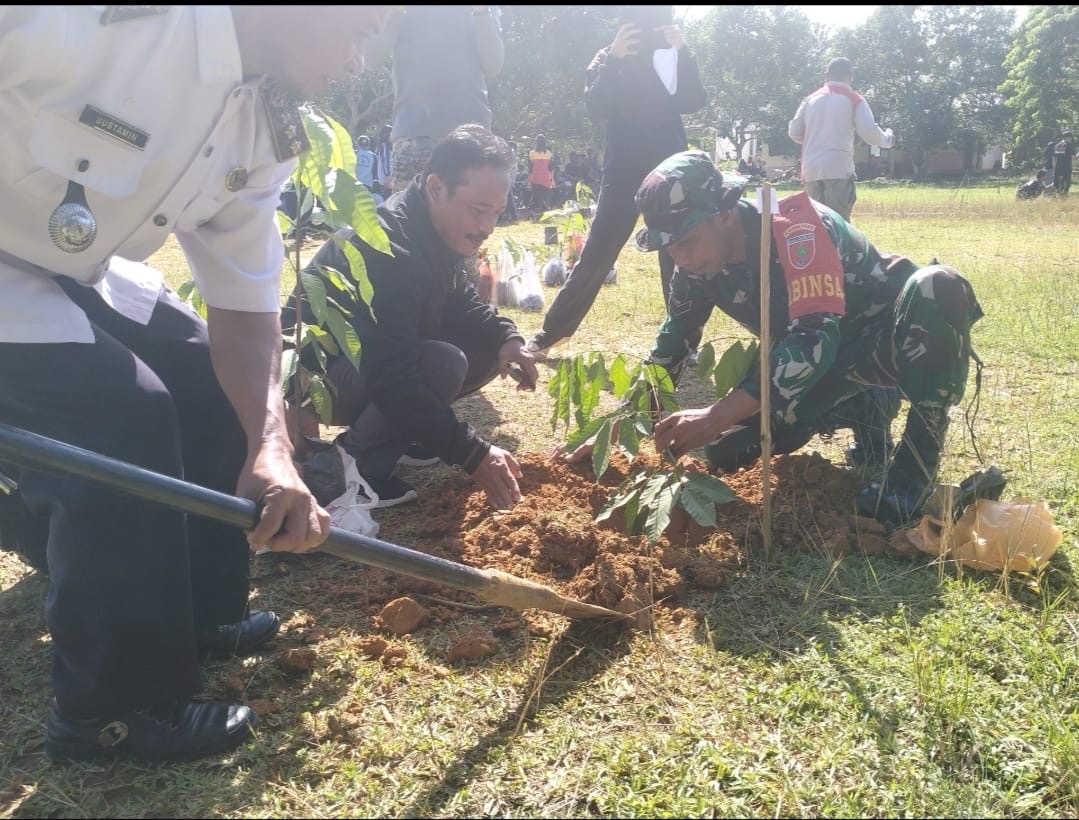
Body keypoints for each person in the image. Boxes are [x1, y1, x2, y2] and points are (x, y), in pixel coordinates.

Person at [0, 6, 391, 765]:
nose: (359, 61)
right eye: (361, 30)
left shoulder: (265, 123)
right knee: (122, 416)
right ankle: (113, 712)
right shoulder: (99, 21)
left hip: (70, 263)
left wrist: (269, 445)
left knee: (210, 380)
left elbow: (244, 300)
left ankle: (197, 615)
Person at [567, 150, 983, 533]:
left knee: (938, 285)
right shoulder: (695, 269)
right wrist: (614, 430)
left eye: (686, 242)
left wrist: (715, 414)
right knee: (727, 450)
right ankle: (864, 409)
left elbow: (813, 339)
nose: (682, 259)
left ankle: (913, 470)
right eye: (670, 250)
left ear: (724, 214)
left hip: (884, 342)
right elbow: (671, 346)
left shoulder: (797, 228)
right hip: (823, 368)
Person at [285, 125, 538, 512]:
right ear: (436, 188)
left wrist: (507, 337)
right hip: (313, 379)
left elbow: (458, 300)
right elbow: (392, 375)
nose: (487, 227)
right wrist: (472, 453)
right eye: (478, 210)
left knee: (487, 347)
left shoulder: (434, 225)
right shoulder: (391, 247)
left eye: (497, 213)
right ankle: (350, 468)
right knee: (443, 364)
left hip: (371, 358)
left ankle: (402, 433)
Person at [526, 5, 707, 359]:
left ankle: (684, 342)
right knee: (598, 252)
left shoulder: (674, 51)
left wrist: (683, 52)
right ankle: (550, 334)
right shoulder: (608, 55)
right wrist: (614, 58)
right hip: (623, 168)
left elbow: (694, 99)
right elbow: (595, 106)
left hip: (670, 168)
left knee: (678, 254)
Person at [364, 6, 504, 195]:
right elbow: (372, 59)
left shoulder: (481, 10)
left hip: (472, 134)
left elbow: (493, 64)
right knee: (412, 212)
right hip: (413, 135)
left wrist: (481, 12)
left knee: (472, 211)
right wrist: (394, 12)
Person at [788, 56, 895, 222]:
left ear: (826, 76)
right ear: (850, 76)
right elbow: (869, 132)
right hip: (838, 168)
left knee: (815, 224)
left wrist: (814, 140)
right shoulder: (854, 99)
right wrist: (887, 140)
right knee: (838, 223)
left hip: (811, 169)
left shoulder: (809, 99)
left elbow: (794, 131)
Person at [528, 134, 557, 215]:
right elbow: (551, 169)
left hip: (536, 178)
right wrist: (552, 180)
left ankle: (535, 213)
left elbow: (530, 169)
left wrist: (529, 182)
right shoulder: (549, 154)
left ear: (536, 142)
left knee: (536, 197)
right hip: (545, 178)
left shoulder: (531, 153)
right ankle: (544, 213)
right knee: (545, 198)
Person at [1052, 131, 1075, 197]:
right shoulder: (1069, 145)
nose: (1071, 139)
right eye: (1071, 137)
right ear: (1069, 137)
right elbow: (1073, 157)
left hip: (1058, 167)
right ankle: (1064, 195)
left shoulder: (1058, 145)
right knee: (1067, 182)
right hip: (1066, 167)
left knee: (1058, 182)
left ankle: (1056, 195)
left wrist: (1054, 167)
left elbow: (1054, 157)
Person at [374, 123, 394, 196]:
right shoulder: (384, 146)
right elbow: (386, 163)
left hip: (387, 179)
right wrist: (388, 176)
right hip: (388, 179)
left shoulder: (384, 146)